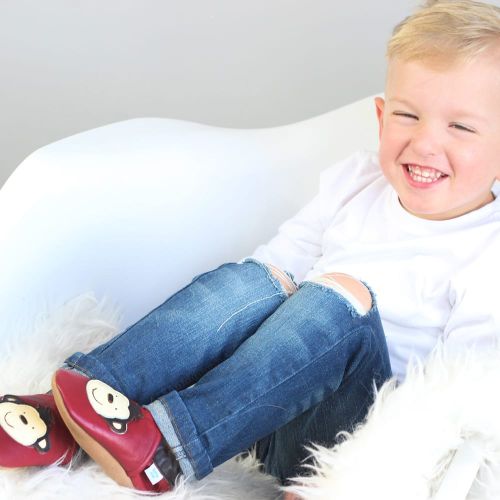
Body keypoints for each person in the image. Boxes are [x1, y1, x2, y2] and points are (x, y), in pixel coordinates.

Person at [2, 1, 500, 498]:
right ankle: (79, 405)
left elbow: (456, 401)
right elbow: (275, 267)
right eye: (408, 115)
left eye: (461, 127)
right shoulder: (356, 182)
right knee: (260, 277)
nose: (426, 143)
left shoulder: (488, 249)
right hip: (257, 412)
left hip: (349, 441)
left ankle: (169, 449)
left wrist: (350, 482)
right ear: (380, 116)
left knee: (336, 296)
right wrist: (267, 289)